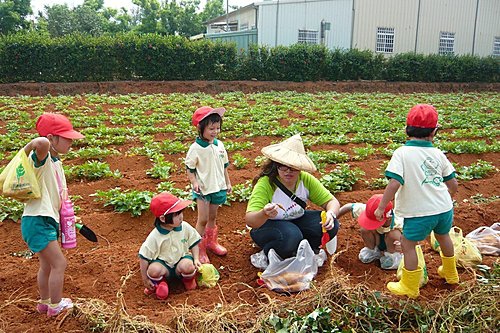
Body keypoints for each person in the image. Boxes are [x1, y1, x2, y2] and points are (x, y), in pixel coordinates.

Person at [374, 104, 459, 298]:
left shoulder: (401, 153)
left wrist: (381, 207)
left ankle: (410, 286)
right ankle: (451, 274)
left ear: (406, 129)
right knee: (443, 237)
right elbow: (453, 184)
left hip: (420, 213)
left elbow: (394, 182)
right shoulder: (438, 154)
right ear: (434, 132)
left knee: (408, 244)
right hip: (444, 208)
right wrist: (447, 197)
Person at [21, 113, 84, 317]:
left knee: (47, 265)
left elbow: (56, 196)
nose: (71, 142)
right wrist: (33, 144)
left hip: (45, 220)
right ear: (52, 138)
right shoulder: (42, 158)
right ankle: (56, 306)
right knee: (59, 263)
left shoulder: (56, 161)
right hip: (38, 221)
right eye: (66, 137)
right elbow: (40, 143)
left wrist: (67, 218)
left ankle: (45, 302)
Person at [245, 134, 340, 260]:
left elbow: (332, 201)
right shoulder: (266, 184)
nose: (288, 172)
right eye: (283, 166)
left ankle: (305, 251)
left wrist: (331, 214)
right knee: (291, 236)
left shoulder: (305, 180)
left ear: (300, 168)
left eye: (293, 168)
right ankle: (269, 254)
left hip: (295, 221)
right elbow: (250, 220)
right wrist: (264, 213)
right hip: (267, 226)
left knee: (331, 225)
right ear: (276, 165)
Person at [185, 106, 232, 263]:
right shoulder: (195, 148)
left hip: (218, 187)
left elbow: (224, 166)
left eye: (217, 128)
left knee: (213, 217)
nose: (215, 131)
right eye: (211, 128)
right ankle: (199, 249)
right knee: (202, 219)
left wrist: (228, 183)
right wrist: (194, 182)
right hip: (204, 190)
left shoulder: (220, 146)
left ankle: (212, 242)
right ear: (200, 128)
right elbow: (190, 169)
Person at [139, 192, 202, 300]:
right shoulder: (155, 236)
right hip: (164, 266)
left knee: (188, 266)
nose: (181, 217)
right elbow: (144, 257)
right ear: (163, 219)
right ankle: (160, 283)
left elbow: (194, 242)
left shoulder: (185, 227)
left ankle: (188, 280)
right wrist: (145, 279)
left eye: (181, 212)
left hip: (180, 261)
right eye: (177, 214)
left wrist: (196, 258)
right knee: (153, 270)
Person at [337, 194, 402, 269]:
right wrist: (334, 218)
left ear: (388, 218)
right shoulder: (370, 212)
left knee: (393, 234)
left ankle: (393, 256)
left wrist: (403, 245)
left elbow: (414, 239)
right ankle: (372, 250)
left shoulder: (399, 221)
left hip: (392, 244)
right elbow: (348, 206)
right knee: (365, 229)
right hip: (377, 239)